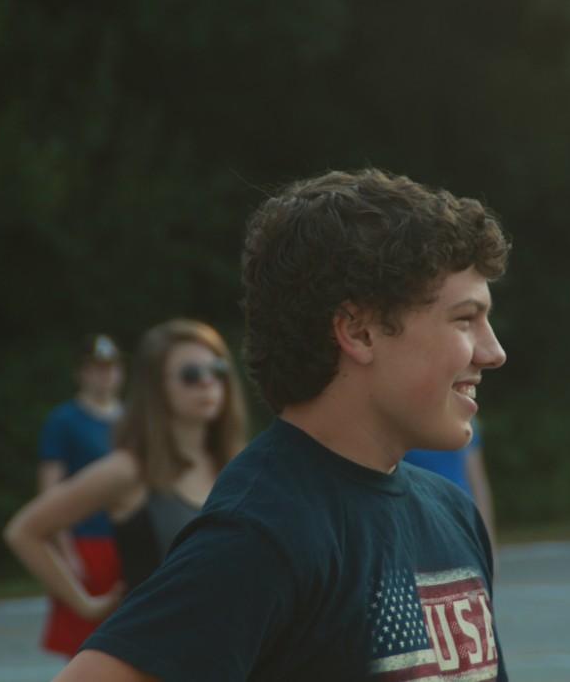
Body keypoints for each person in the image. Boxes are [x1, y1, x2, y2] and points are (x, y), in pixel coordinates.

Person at [54, 168, 511, 681]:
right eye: (464, 319)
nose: (493, 352)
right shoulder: (265, 530)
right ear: (358, 331)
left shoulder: (451, 513)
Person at [5, 319, 249, 623]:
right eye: (191, 374)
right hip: (160, 654)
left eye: (218, 370)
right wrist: (87, 606)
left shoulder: (241, 466)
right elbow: (24, 531)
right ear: (157, 386)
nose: (207, 382)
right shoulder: (129, 469)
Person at [36, 334, 125, 658]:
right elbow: (51, 489)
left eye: (111, 367)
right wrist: (65, 550)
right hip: (85, 542)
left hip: (125, 537)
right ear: (82, 373)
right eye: (96, 368)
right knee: (84, 646)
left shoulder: (131, 420)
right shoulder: (64, 421)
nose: (105, 375)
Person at [404, 420, 497, 552]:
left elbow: (477, 482)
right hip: (419, 525)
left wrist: (488, 541)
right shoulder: (404, 419)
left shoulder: (463, 419)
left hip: (463, 521)